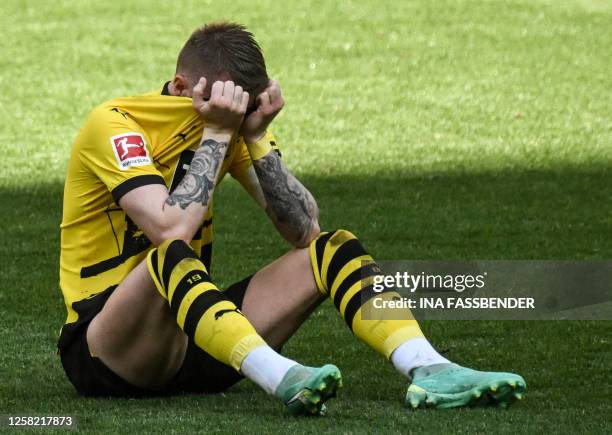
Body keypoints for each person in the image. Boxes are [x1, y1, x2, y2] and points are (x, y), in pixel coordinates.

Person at [58, 22, 526, 414]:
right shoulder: (116, 122)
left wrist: (255, 138)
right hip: (106, 349)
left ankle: (431, 368)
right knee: (169, 253)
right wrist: (220, 132)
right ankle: (282, 377)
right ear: (181, 87)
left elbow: (303, 229)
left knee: (332, 248)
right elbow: (169, 228)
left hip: (192, 341)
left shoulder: (231, 124)